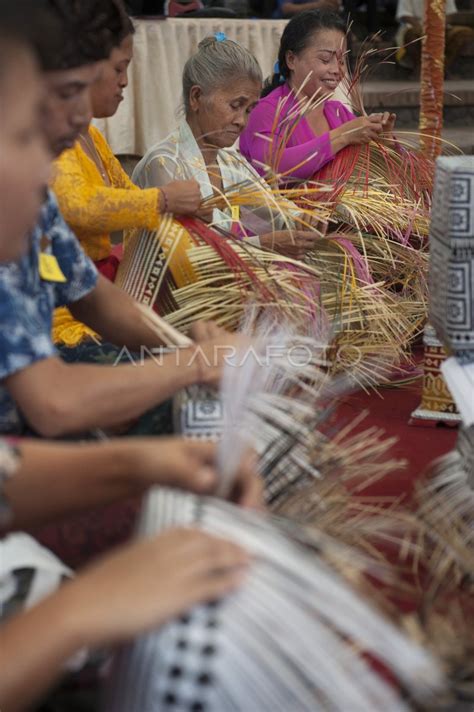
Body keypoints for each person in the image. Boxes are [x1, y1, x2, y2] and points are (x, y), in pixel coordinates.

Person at [0, 10, 254, 711]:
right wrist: (81, 610)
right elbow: (48, 402)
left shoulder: (27, 194)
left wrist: (156, 454)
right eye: (25, 131)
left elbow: (96, 297)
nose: (49, 165)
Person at [0, 0, 245, 439]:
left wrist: (182, 343)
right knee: (184, 413)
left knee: (207, 412)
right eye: (65, 92)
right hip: (41, 391)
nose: (78, 114)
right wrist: (192, 363)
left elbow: (92, 295)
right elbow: (52, 403)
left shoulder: (38, 186)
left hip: (42, 399)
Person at [133, 35, 322, 259]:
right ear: (196, 97)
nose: (241, 121)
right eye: (235, 105)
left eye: (249, 109)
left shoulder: (232, 164)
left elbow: (273, 211)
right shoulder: (165, 164)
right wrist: (261, 245)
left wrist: (305, 219)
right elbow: (184, 257)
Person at [239, 9, 396, 182]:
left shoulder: (339, 113)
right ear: (291, 59)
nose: (337, 70)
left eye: (342, 61)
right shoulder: (266, 110)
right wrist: (343, 136)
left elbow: (371, 175)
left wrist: (385, 142)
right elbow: (270, 169)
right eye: (325, 60)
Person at [395, 0, 474, 73]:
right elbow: (404, 14)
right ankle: (419, 69)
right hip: (416, 27)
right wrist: (422, 28)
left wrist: (437, 26)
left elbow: (450, 14)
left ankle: (442, 69)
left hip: (440, 27)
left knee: (464, 33)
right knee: (411, 35)